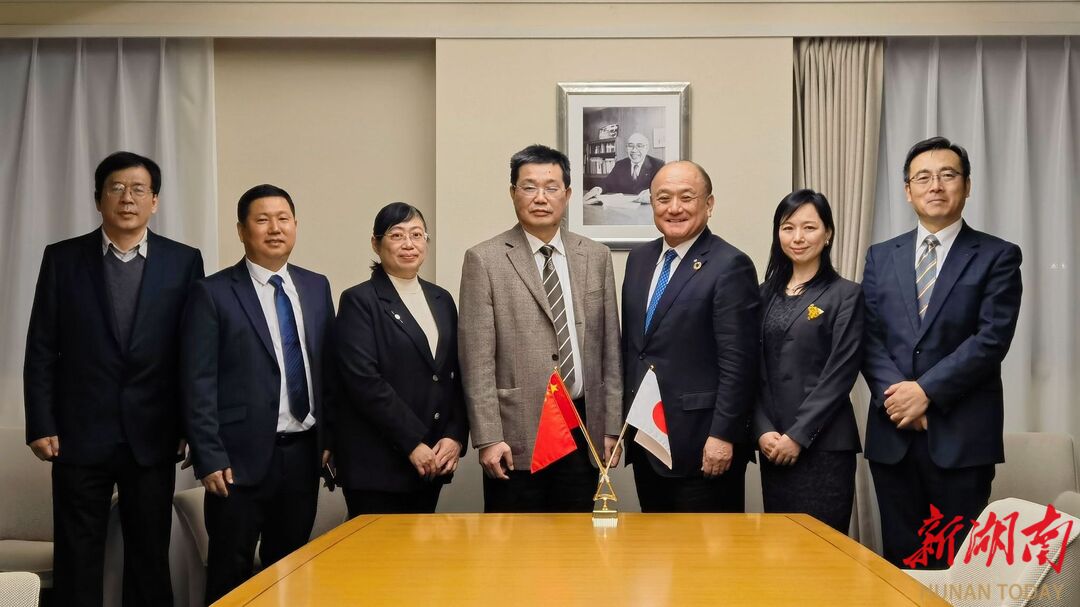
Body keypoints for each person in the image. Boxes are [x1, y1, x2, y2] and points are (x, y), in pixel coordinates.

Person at [23, 151, 204, 607]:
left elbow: (193, 352)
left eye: (139, 189)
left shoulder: (183, 261)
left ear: (154, 201)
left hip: (154, 432)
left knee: (149, 555)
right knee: (77, 554)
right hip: (79, 432)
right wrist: (40, 421)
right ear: (99, 198)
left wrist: (190, 425)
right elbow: (41, 345)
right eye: (117, 188)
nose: (127, 198)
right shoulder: (63, 258)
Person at [862, 136, 1023, 567]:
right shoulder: (881, 256)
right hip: (893, 433)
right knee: (900, 564)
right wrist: (899, 398)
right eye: (923, 177)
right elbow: (869, 337)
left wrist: (926, 393)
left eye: (947, 175)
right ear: (907, 190)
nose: (935, 185)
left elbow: (991, 339)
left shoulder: (998, 255)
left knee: (956, 568)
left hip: (962, 436)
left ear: (966, 186)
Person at [181, 184, 335, 602]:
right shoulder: (212, 292)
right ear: (242, 230)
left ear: (296, 225)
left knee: (292, 571)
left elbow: (327, 370)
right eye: (262, 220)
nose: (274, 228)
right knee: (230, 575)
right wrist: (209, 455)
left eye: (283, 219)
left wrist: (329, 439)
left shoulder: (316, 287)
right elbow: (197, 381)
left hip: (302, 454)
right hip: (236, 461)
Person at [458, 144, 622, 513]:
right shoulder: (484, 259)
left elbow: (609, 348)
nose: (540, 198)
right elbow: (477, 360)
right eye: (529, 187)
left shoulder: (595, 256)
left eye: (551, 187)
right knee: (515, 540)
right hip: (516, 433)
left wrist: (611, 426)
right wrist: (488, 437)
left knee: (577, 538)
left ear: (568, 194)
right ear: (512, 193)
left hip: (583, 426)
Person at [621, 160, 759, 512]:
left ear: (709, 204)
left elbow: (739, 363)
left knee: (707, 546)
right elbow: (635, 348)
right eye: (663, 198)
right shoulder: (639, 260)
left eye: (686, 197)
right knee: (654, 544)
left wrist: (723, 435)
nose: (674, 208)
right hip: (648, 437)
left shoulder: (730, 264)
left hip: (703, 443)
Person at [333, 202, 467, 516]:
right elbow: (364, 382)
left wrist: (455, 436)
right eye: (397, 235)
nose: (409, 244)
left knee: (423, 547)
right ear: (376, 243)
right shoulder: (359, 301)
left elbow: (457, 373)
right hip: (379, 463)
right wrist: (412, 443)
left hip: (432, 460)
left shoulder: (442, 299)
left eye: (417, 235)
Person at [753, 189, 863, 534]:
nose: (798, 237)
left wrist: (798, 435)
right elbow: (750, 370)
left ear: (828, 233)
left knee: (823, 549)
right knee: (778, 549)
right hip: (773, 445)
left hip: (824, 445)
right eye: (788, 228)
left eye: (809, 227)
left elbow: (840, 373)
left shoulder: (846, 294)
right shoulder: (761, 294)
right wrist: (762, 430)